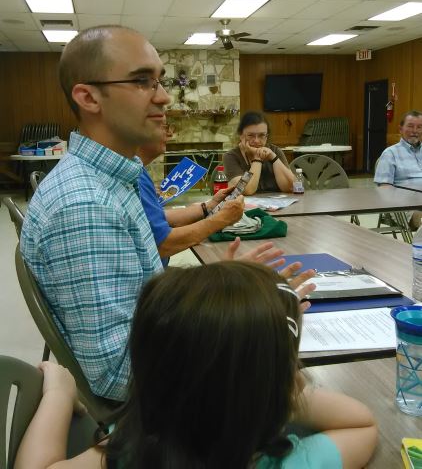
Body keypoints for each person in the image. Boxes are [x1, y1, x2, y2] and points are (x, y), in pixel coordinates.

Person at [20, 25, 314, 402]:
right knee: (316, 394)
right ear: (88, 97)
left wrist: (224, 292)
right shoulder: (87, 205)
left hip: (160, 351)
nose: (163, 98)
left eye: (161, 81)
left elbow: (143, 294)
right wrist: (245, 326)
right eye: (143, 81)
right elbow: (119, 375)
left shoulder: (110, 179)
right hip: (151, 416)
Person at [15, 262, 377, 469]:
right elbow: (361, 423)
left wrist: (58, 395)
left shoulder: (133, 450)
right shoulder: (285, 464)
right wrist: (284, 387)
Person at [138, 123, 244, 265]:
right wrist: (222, 219)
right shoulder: (134, 176)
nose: (170, 134)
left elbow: (158, 217)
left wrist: (209, 206)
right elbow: (162, 244)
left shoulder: (139, 171)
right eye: (164, 126)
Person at [224, 111, 295, 195]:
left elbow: (291, 187)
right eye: (250, 135)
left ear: (266, 136)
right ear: (241, 135)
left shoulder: (275, 151)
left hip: (276, 205)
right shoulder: (231, 156)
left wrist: (274, 158)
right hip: (245, 206)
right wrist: (257, 158)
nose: (256, 141)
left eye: (261, 135)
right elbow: (246, 189)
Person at [374, 110, 422, 229]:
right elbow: (384, 189)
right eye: (410, 126)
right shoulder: (390, 154)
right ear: (400, 129)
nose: (415, 131)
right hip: (406, 206)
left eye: (419, 127)